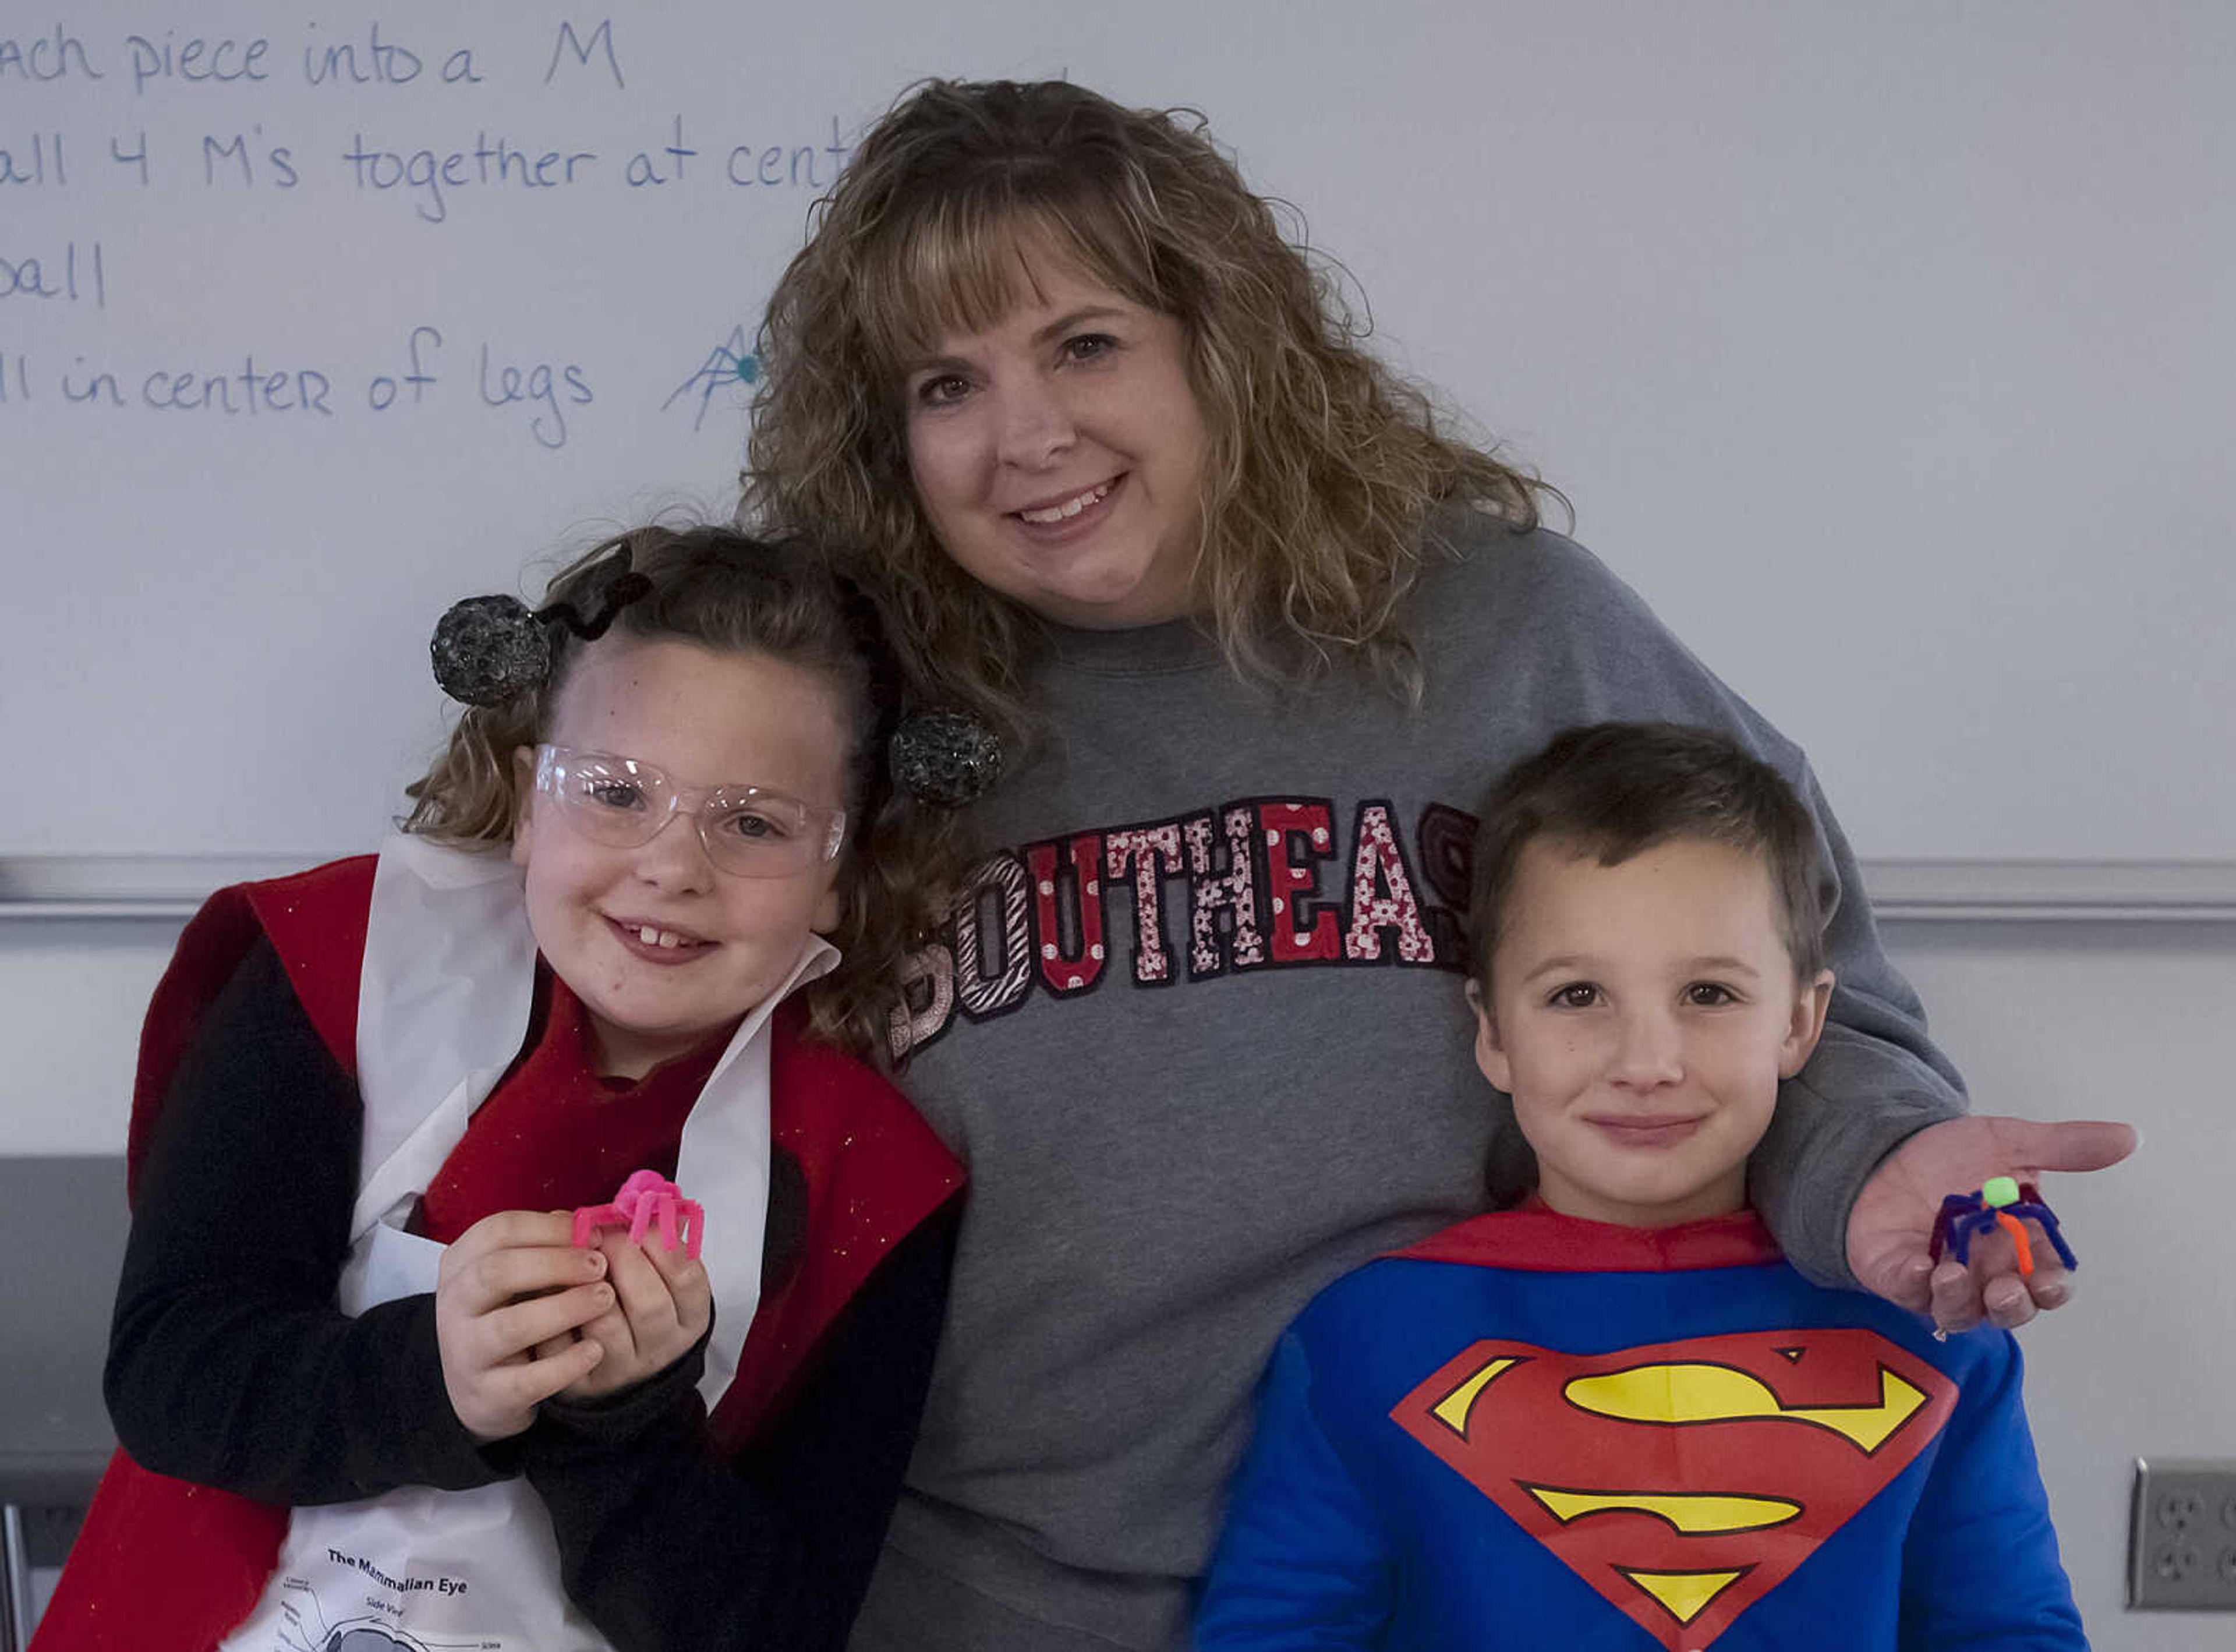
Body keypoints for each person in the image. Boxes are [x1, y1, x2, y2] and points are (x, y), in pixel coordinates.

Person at [740, 78, 2132, 1651]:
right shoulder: (842, 711)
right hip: (980, 1610)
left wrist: (1877, 1163)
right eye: (946, 384)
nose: (1029, 437)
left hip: (1470, 1591)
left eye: (1086, 342)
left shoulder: (1506, 628)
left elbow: (1787, 997)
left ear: (1224, 340)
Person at [36, 528, 967, 1652]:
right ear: (531, 803)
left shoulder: (871, 1177)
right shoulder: (338, 964)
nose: (673, 865)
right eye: (618, 792)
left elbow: (773, 1626)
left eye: (755, 822)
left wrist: (622, 1425)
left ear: (839, 873)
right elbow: (172, 1374)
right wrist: (436, 1376)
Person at [1193, 722, 2086, 1649]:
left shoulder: (1933, 1320)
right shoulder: (1363, 1337)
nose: (1647, 1061)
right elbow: (1276, 1632)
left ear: (1801, 1021)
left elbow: (2010, 1630)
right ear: (1494, 1032)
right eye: (1578, 995)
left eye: (1709, 994)